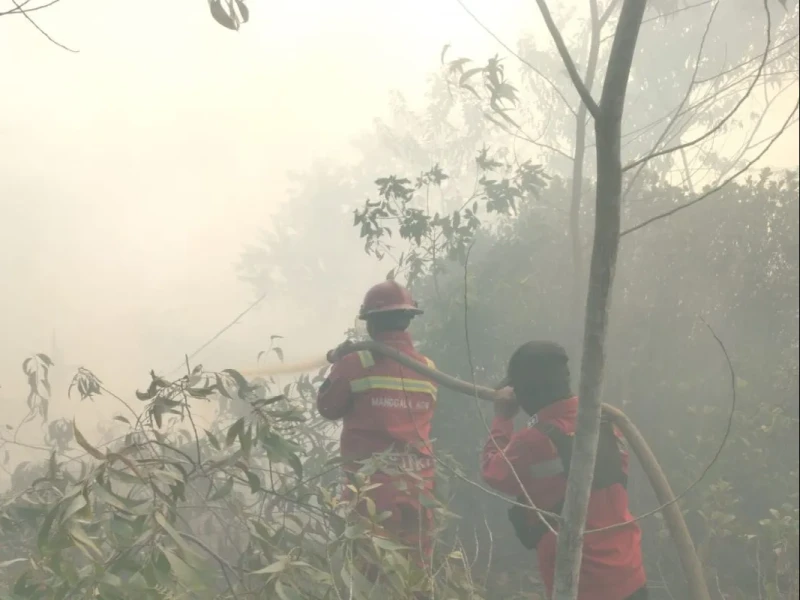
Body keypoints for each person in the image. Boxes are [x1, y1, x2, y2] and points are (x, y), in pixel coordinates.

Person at [481, 341, 648, 600]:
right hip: (630, 574)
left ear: (524, 392)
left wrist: (503, 418)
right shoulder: (605, 424)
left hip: (582, 587)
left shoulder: (531, 441)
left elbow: (494, 472)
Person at [316, 279, 439, 572]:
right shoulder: (428, 369)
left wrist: (339, 363)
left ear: (370, 323)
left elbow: (328, 407)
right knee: (416, 577)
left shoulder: (356, 363)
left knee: (371, 576)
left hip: (372, 492)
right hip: (419, 487)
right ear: (408, 320)